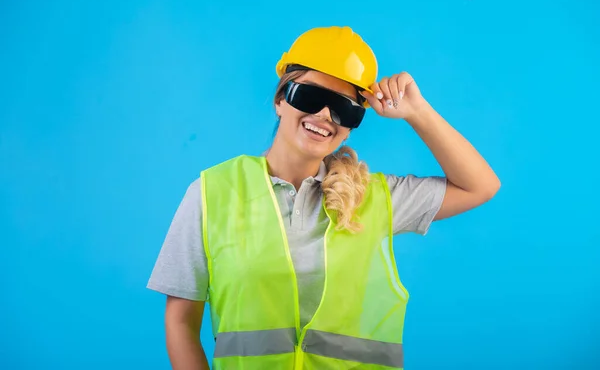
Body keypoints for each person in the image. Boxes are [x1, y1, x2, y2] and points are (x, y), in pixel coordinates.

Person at [147, 26, 500, 369]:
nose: (324, 116)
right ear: (280, 100)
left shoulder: (372, 197)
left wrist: (417, 112)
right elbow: (180, 322)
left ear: (349, 128)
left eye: (344, 109)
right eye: (311, 97)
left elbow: (480, 185)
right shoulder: (212, 193)